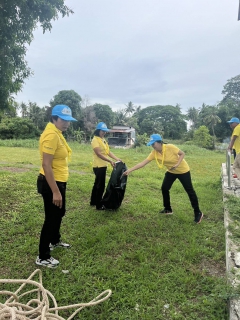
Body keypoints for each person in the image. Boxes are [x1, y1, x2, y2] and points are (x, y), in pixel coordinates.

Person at [123, 134, 203, 223]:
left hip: (183, 171)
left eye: (154, 144)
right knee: (164, 188)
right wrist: (129, 170)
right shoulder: (154, 153)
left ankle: (198, 212)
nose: (153, 146)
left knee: (190, 191)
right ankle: (168, 209)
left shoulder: (170, 147)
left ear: (160, 142)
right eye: (151, 144)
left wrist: (177, 165)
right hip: (171, 171)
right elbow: (142, 163)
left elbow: (182, 153)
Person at [36, 104, 77, 268]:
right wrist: (55, 192)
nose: (67, 123)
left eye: (69, 120)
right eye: (63, 119)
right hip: (50, 182)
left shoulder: (57, 133)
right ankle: (43, 256)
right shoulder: (51, 135)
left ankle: (54, 240)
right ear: (54, 118)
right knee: (51, 218)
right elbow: (46, 165)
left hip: (58, 181)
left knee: (60, 213)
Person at [90, 122, 122, 210]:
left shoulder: (103, 139)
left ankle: (93, 201)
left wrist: (117, 159)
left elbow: (108, 152)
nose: (104, 132)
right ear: (98, 130)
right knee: (100, 186)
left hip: (103, 165)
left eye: (105, 131)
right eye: (102, 131)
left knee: (97, 184)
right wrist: (110, 160)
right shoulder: (95, 140)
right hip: (98, 166)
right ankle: (98, 205)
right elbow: (99, 154)